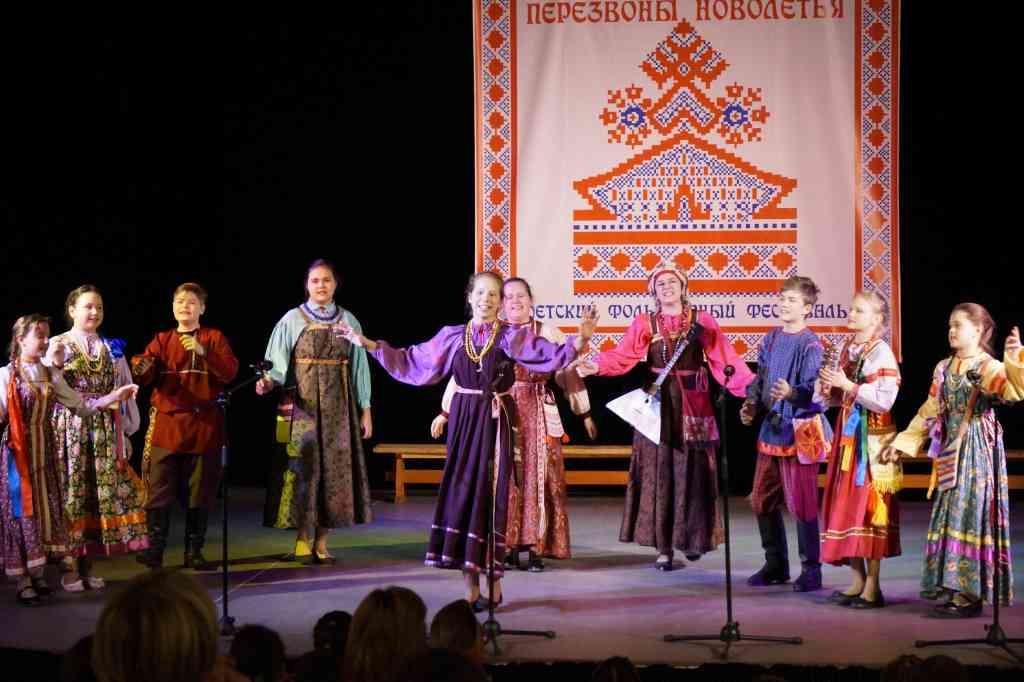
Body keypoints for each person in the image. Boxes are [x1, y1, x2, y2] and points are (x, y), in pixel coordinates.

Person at [340, 271, 596, 609]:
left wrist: (579, 340)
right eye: (481, 293)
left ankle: (494, 581)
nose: (486, 299)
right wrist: (370, 344)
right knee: (463, 495)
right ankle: (470, 587)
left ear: (500, 303)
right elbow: (413, 361)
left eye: (493, 295)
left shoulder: (510, 336)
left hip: (496, 420)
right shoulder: (453, 336)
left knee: (491, 496)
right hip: (464, 420)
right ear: (469, 297)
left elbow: (547, 354)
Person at [577, 265, 754, 570]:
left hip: (693, 404)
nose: (667, 287)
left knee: (694, 471)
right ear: (653, 292)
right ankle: (664, 547)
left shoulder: (702, 321)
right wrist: (597, 365)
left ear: (683, 287)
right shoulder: (645, 322)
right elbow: (623, 355)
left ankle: (694, 538)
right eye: (661, 284)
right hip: (658, 405)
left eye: (673, 282)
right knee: (659, 473)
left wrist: (751, 387)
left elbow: (724, 359)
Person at [888, 305, 1023, 617]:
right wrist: (903, 443)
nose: (951, 331)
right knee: (951, 514)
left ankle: (970, 593)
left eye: (958, 325)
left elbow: (1013, 392)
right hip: (951, 447)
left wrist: (1014, 359)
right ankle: (952, 585)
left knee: (971, 514)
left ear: (978, 330)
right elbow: (930, 408)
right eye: (950, 325)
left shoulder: (987, 366)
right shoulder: (944, 367)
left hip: (977, 449)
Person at [0, 314, 137, 605]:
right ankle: (23, 580)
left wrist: (114, 395)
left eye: (47, 335)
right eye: (39, 335)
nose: (45, 341)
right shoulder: (6, 375)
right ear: (20, 339)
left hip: (46, 451)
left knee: (47, 511)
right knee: (22, 513)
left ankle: (38, 576)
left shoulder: (50, 374)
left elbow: (81, 406)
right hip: (18, 453)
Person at [257, 259, 372, 564]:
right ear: (307, 285)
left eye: (327, 280)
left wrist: (366, 409)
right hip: (300, 407)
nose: (321, 285)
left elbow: (360, 368)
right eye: (315, 280)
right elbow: (276, 364)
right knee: (301, 469)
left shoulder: (348, 320)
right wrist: (267, 382)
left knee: (334, 473)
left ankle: (322, 542)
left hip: (339, 408)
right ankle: (301, 538)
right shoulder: (292, 319)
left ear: (336, 284)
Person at [132, 283, 239, 570]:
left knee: (200, 490)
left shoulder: (213, 337)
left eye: (191, 302)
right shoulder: (162, 340)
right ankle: (155, 549)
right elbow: (144, 373)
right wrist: (141, 367)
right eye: (180, 301)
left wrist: (204, 352)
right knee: (158, 489)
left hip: (204, 426)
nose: (185, 306)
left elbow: (230, 372)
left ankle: (194, 551)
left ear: (202, 308)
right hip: (168, 425)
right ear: (172, 307)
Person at [48, 284, 147, 589]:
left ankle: (87, 566)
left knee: (97, 497)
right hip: (70, 428)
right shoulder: (58, 344)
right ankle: (69, 570)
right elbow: (48, 386)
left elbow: (123, 389)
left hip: (103, 429)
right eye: (88, 306)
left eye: (99, 307)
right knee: (73, 494)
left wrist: (125, 431)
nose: (94, 312)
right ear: (72, 310)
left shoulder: (110, 347)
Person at [740, 276, 831, 592]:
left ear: (807, 308)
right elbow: (761, 378)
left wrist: (792, 392)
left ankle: (811, 569)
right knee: (762, 499)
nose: (784, 304)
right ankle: (776, 564)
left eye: (791, 300)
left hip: (801, 430)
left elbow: (815, 392)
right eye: (782, 299)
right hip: (773, 428)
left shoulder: (811, 344)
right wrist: (751, 404)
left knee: (802, 503)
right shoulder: (772, 338)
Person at [818, 291, 901, 608]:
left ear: (877, 319)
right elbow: (839, 396)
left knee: (869, 507)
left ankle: (873, 586)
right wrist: (828, 389)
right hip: (848, 437)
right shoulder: (847, 348)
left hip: (872, 440)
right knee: (846, 504)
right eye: (851, 309)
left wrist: (848, 385)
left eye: (859, 310)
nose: (851, 314)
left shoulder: (882, 353)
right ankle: (857, 579)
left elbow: (884, 400)